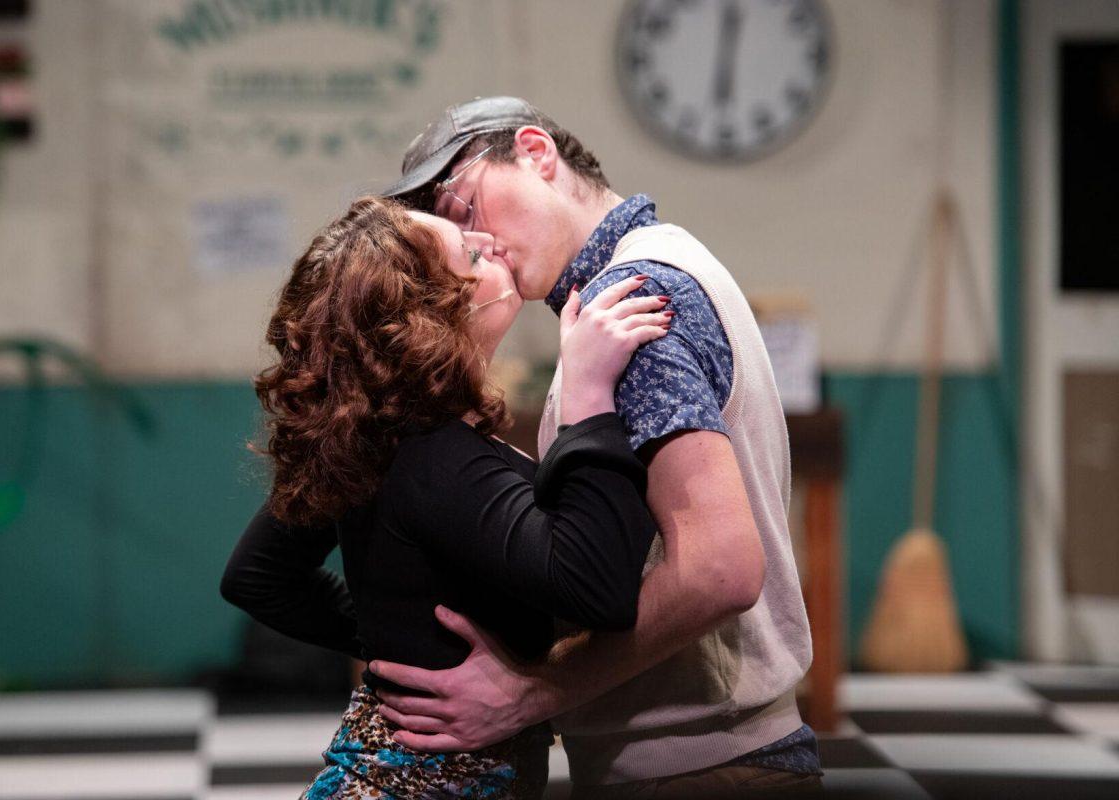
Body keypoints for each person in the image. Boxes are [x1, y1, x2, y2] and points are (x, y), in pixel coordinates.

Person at [370, 97, 824, 798]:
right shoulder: (662, 264)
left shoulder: (632, 300)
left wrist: (538, 692)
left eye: (464, 206)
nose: (476, 243)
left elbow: (721, 570)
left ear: (536, 153)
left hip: (697, 766)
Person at [219, 195, 674, 799]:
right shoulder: (432, 454)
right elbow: (596, 587)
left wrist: (401, 638)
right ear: (430, 312)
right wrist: (589, 396)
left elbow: (258, 575)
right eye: (469, 252)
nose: (490, 245)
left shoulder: (374, 436)